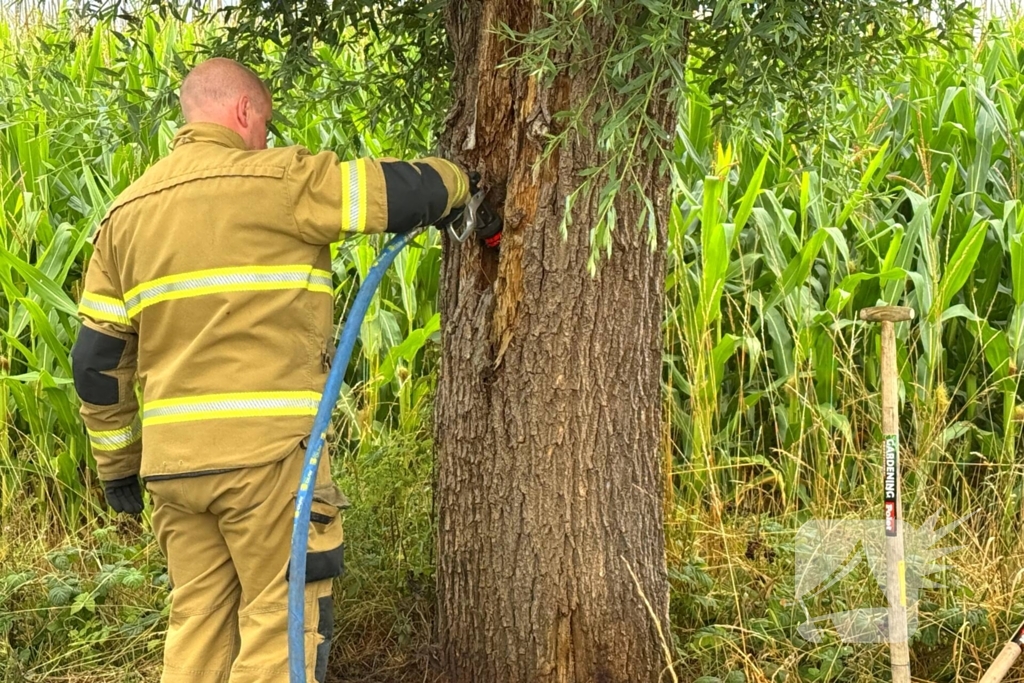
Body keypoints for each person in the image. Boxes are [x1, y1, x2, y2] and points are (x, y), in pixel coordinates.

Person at [70, 57, 471, 683]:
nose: (266, 138)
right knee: (279, 626)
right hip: (268, 463)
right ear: (243, 113)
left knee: (197, 624)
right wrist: (461, 179)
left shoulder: (124, 215)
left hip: (175, 472)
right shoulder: (278, 182)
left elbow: (95, 361)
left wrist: (118, 464)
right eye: (266, 124)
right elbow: (401, 192)